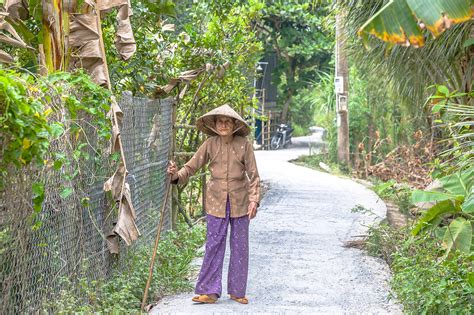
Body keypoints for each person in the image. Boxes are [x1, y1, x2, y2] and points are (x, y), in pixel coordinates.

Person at [167, 104, 260, 305]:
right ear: (215, 125)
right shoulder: (210, 144)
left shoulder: (244, 144)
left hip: (240, 200)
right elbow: (191, 167)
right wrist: (176, 175)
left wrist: (254, 199)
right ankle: (209, 291)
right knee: (213, 244)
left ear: (235, 124)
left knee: (240, 245)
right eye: (220, 121)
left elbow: (253, 175)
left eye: (228, 121)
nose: (224, 125)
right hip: (216, 200)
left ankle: (237, 291)